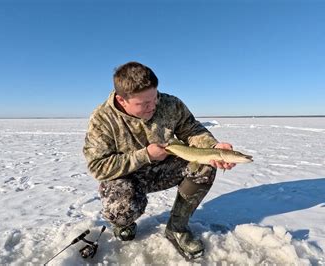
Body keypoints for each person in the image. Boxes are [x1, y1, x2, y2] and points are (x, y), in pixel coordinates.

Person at [83, 61, 235, 259]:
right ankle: (124, 223)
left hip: (164, 168)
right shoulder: (102, 119)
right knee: (121, 209)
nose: (152, 106)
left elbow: (192, 130)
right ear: (122, 100)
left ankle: (177, 228)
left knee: (204, 166)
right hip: (127, 177)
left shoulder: (170, 104)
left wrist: (213, 148)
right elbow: (98, 166)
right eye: (144, 103)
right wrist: (145, 155)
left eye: (154, 99)